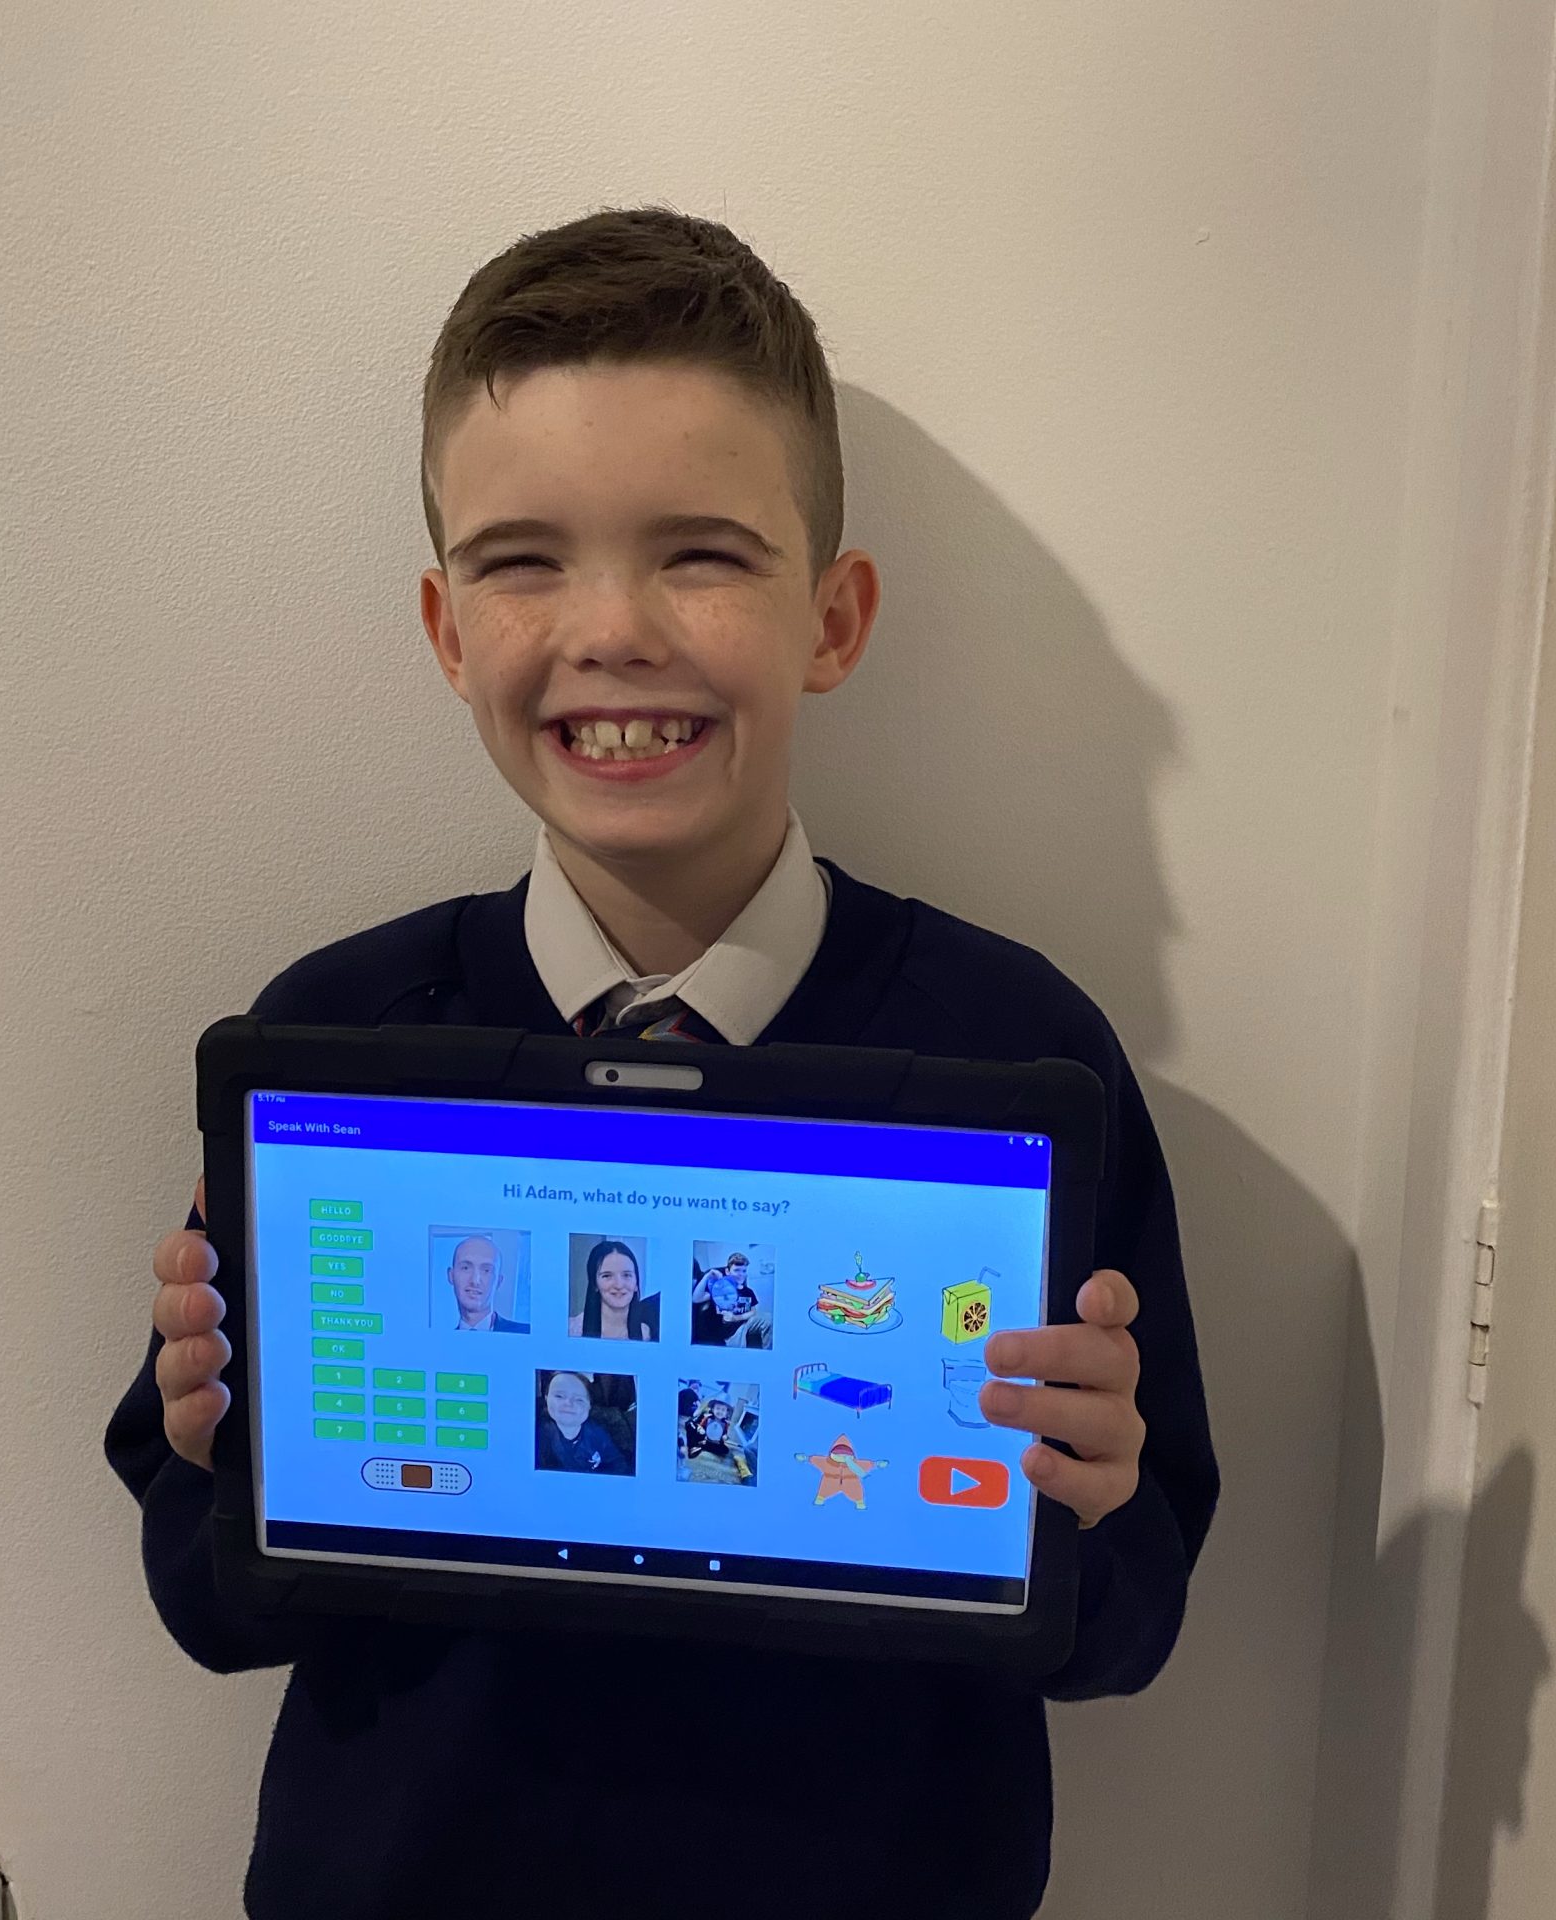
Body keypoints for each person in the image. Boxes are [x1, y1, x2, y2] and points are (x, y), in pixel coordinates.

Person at [108, 208, 1219, 1920]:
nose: (612, 628)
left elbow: (1127, 1623)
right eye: (522, 561)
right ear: (446, 630)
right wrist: (210, 1453)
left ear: (832, 619)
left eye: (700, 553)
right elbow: (213, 1605)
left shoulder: (1017, 1048)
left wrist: (1092, 1493)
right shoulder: (341, 1045)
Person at [534, 1370, 631, 1474]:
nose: (568, 1403)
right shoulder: (537, 1437)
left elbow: (618, 1464)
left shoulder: (598, 1434)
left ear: (589, 1406)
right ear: (546, 1399)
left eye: (579, 1400)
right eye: (559, 1396)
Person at [566, 1237, 659, 1340]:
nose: (619, 1285)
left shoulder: (646, 1334)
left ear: (636, 1283)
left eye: (627, 1275)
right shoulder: (570, 1330)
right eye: (607, 1276)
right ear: (595, 1284)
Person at [440, 1232, 527, 1332]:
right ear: (451, 1276)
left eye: (486, 1270)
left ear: (498, 1282)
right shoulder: (438, 1340)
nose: (475, 1281)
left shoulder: (526, 1333)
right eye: (466, 1268)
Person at [688, 1248, 762, 1346]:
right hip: (730, 1333)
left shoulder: (748, 1291)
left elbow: (753, 1311)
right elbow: (696, 1298)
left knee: (767, 1320)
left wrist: (736, 1318)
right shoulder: (720, 1290)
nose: (741, 1274)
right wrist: (707, 1276)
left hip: (744, 1323)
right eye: (737, 1270)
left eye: (744, 1271)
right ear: (727, 1271)